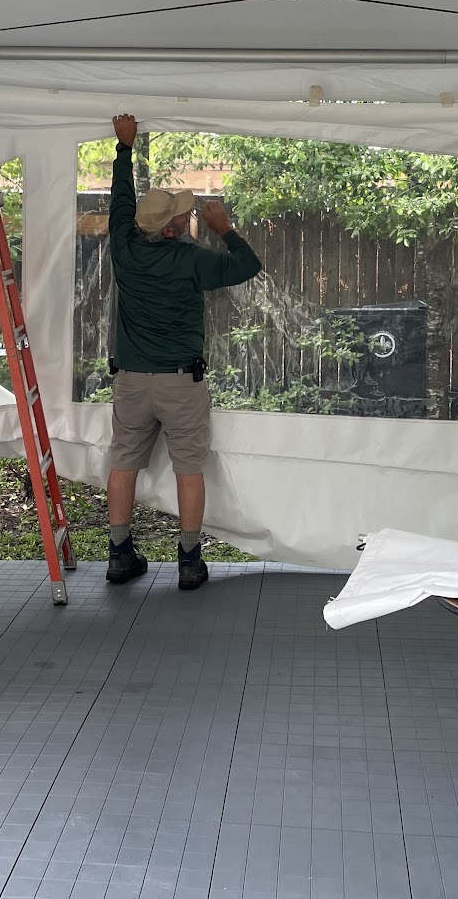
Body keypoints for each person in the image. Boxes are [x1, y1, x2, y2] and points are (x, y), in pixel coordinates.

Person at [103, 113, 263, 590]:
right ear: (172, 230)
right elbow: (248, 265)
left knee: (123, 463)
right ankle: (189, 562)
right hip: (180, 383)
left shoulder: (124, 248)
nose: (186, 215)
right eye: (181, 214)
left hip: (131, 381)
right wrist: (225, 228)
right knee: (189, 469)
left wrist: (124, 148)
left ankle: (118, 554)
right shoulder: (191, 259)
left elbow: (120, 200)